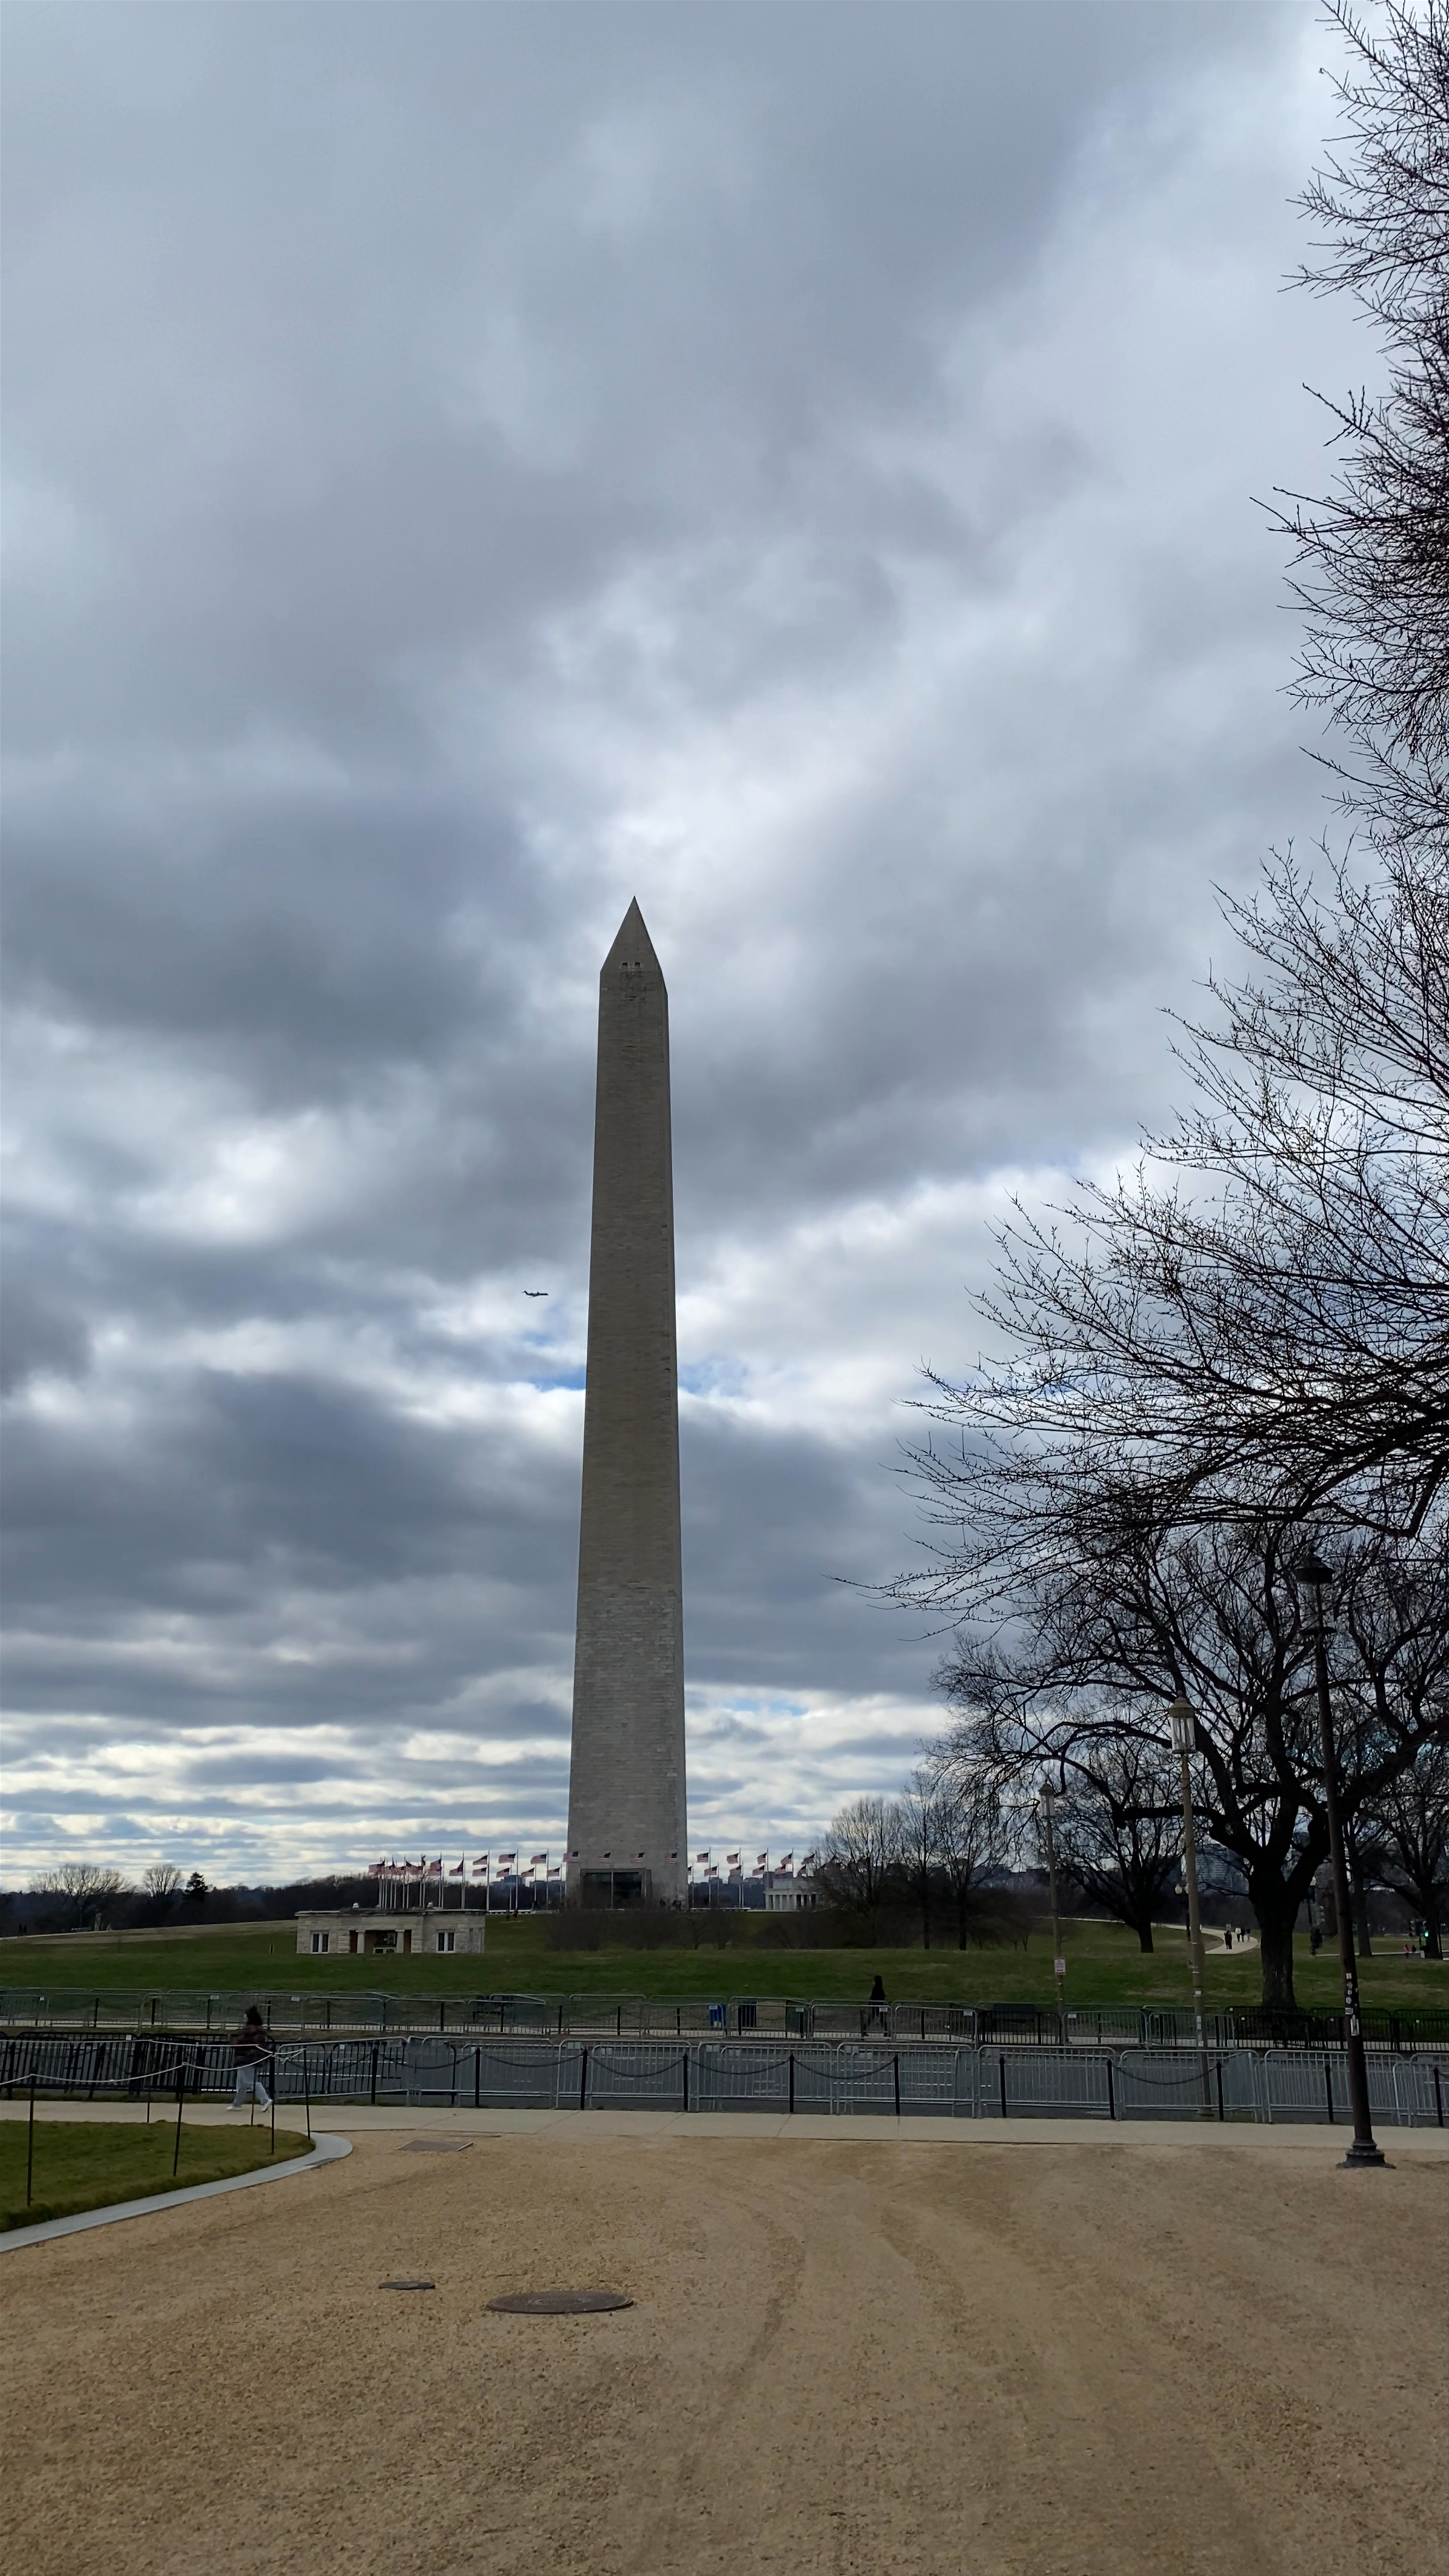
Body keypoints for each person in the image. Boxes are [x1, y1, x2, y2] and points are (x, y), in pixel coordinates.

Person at [231, 2005, 273, 2112]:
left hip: (247, 2058)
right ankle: (237, 2104)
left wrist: (232, 2041)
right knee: (241, 2083)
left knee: (250, 2082)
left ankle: (265, 2100)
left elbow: (241, 2043)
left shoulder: (250, 2030)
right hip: (250, 2057)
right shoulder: (260, 2030)